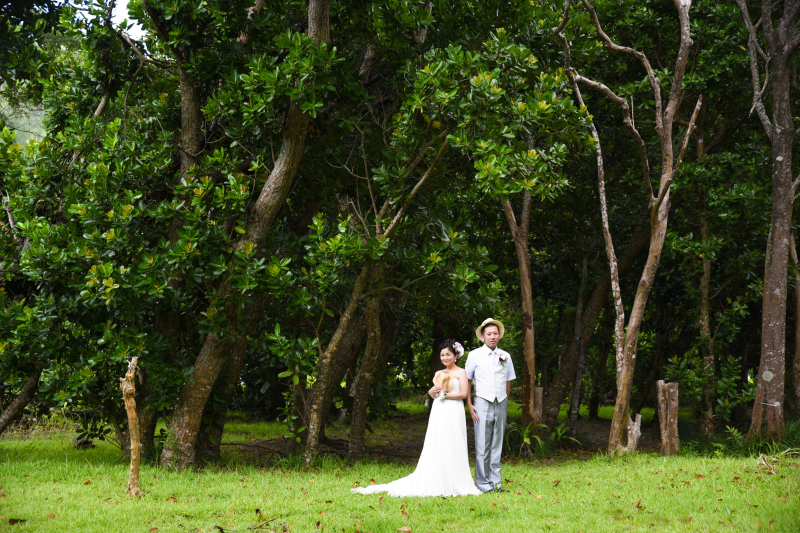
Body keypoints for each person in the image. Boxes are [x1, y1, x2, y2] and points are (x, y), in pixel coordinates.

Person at [351, 339, 482, 497]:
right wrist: (432, 392)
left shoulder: (461, 372)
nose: (445, 358)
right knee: (438, 441)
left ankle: (455, 478)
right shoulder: (438, 373)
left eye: (448, 354)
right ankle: (437, 477)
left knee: (454, 440)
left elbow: (463, 394)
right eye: (442, 355)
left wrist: (445, 395)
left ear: (455, 355)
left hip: (454, 409)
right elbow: (434, 394)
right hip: (439, 409)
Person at [465, 318, 515, 493]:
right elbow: (467, 381)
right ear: (482, 336)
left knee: (497, 444)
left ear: (499, 335)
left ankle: (496, 484)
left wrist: (505, 399)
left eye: (495, 333)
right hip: (482, 402)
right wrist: (470, 405)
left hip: (501, 402)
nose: (492, 336)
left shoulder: (505, 356)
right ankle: (483, 484)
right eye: (489, 334)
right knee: (482, 445)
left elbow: (508, 381)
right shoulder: (474, 355)